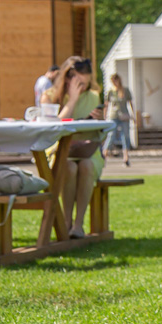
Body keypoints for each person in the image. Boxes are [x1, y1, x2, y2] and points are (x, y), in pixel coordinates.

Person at [40, 57, 104, 239]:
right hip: (60, 153)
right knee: (69, 167)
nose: (83, 87)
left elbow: (99, 133)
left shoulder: (93, 96)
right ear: (67, 77)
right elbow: (52, 128)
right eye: (79, 81)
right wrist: (72, 100)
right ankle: (66, 222)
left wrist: (99, 121)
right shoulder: (50, 96)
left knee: (86, 166)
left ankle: (78, 224)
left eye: (86, 82)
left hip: (87, 151)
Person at [103, 73, 135, 167]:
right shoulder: (110, 91)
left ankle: (126, 158)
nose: (115, 83)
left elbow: (130, 103)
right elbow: (106, 104)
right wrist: (105, 116)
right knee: (111, 135)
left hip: (124, 115)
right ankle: (104, 155)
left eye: (116, 80)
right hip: (113, 116)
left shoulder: (125, 91)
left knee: (125, 136)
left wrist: (132, 115)